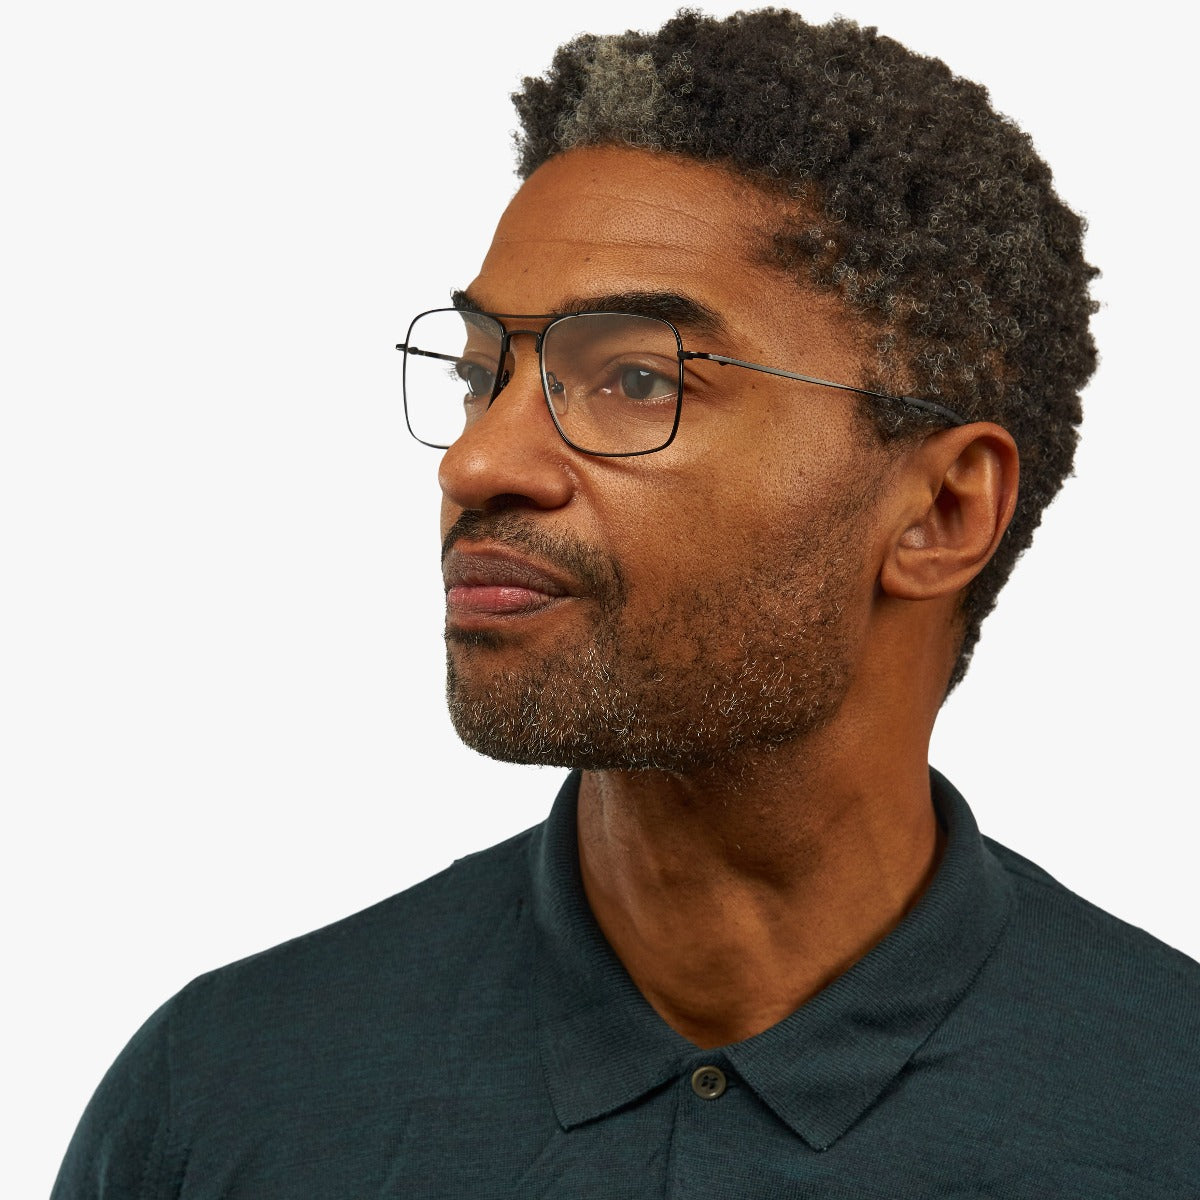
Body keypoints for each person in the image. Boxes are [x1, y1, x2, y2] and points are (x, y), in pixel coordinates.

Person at [53, 9, 1199, 1197]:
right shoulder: (224, 1100)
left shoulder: (1167, 1121)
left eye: (638, 378)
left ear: (942, 511)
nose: (476, 464)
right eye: (482, 373)